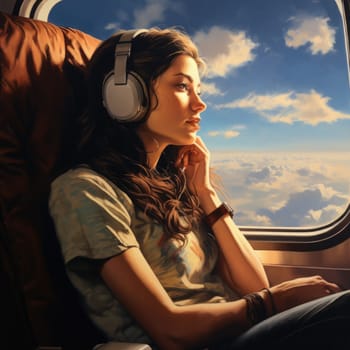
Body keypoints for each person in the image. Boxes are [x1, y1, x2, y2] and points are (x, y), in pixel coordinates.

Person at [49, 27, 350, 350]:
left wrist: (206, 193)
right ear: (124, 96)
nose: (200, 104)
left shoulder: (174, 184)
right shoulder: (85, 191)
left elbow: (253, 284)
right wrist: (273, 302)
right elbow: (170, 330)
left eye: (199, 89)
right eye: (182, 86)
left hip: (235, 334)